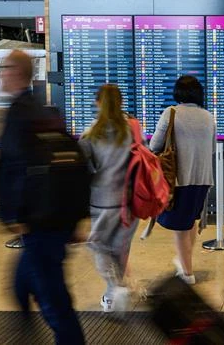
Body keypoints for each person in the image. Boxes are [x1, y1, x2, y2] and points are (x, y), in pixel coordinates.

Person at [0, 50, 85, 344]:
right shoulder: (44, 110)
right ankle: (27, 334)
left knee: (54, 302)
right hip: (54, 218)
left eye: (5, 68)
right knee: (21, 284)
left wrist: (15, 215)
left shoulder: (20, 113)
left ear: (17, 72)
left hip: (40, 222)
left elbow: (15, 168)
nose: (0, 74)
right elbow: (74, 162)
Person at [149, 76, 215, 285]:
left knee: (180, 226)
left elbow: (154, 145)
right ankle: (185, 262)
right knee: (190, 222)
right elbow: (212, 149)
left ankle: (187, 273)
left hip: (179, 179)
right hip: (203, 178)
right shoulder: (208, 116)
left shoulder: (171, 113)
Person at [79, 84, 139, 313]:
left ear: (97, 103)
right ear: (121, 102)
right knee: (119, 249)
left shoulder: (91, 134)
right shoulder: (133, 130)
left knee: (98, 245)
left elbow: (84, 170)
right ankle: (111, 296)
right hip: (130, 202)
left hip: (102, 202)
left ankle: (117, 287)